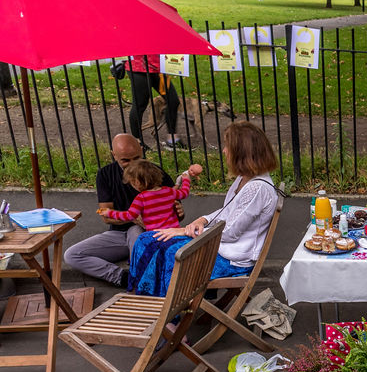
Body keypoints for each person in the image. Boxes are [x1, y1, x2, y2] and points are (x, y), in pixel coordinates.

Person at [128, 121, 278, 297]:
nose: (224, 151)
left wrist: (184, 231)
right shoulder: (245, 179)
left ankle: (170, 315)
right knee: (147, 239)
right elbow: (227, 212)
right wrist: (202, 220)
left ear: (241, 152)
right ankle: (143, 298)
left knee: (169, 252)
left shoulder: (257, 188)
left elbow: (230, 232)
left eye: (227, 146)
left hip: (232, 259)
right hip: (221, 247)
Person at [64, 134, 176, 288]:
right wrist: (133, 217)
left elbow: (173, 212)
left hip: (148, 232)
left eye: (136, 158)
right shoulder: (105, 174)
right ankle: (123, 277)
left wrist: (178, 213)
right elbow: (106, 215)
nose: (131, 165)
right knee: (72, 255)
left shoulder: (154, 172)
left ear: (142, 151)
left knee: (136, 232)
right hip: (117, 234)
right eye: (125, 160)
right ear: (114, 155)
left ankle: (144, 282)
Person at [124, 0, 183, 150]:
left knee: (172, 100)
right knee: (140, 104)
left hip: (157, 68)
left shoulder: (153, 6)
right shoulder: (128, 9)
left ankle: (172, 141)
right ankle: (138, 143)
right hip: (138, 69)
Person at [98, 161, 199, 232]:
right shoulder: (169, 191)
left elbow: (129, 216)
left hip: (155, 235)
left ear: (136, 182)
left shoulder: (141, 198)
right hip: (174, 232)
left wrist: (109, 213)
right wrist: (186, 180)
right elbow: (184, 193)